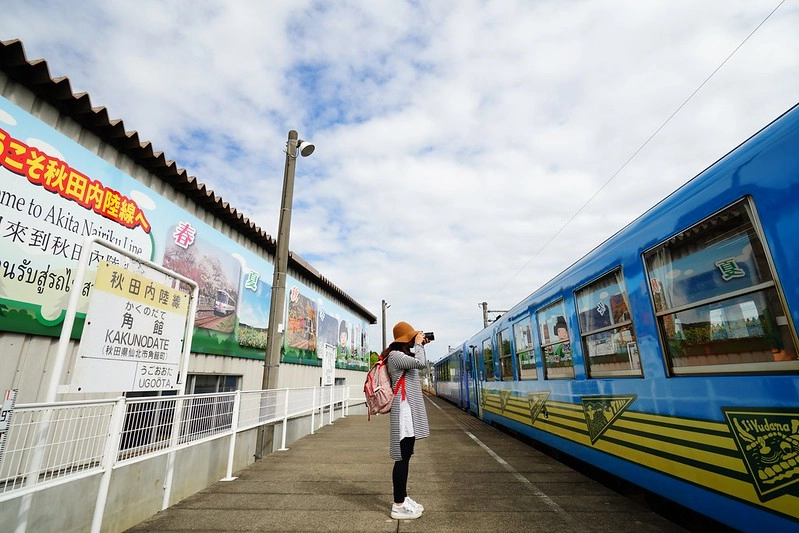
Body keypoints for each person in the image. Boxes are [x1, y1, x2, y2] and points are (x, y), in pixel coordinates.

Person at [381, 321, 430, 520]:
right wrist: (418, 345)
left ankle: (403, 497)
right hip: (403, 414)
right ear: (404, 339)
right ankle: (398, 504)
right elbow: (420, 363)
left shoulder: (402, 356)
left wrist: (420, 346)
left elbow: (416, 366)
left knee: (406, 455)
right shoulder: (395, 356)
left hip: (408, 413)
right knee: (401, 458)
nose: (414, 339)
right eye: (411, 337)